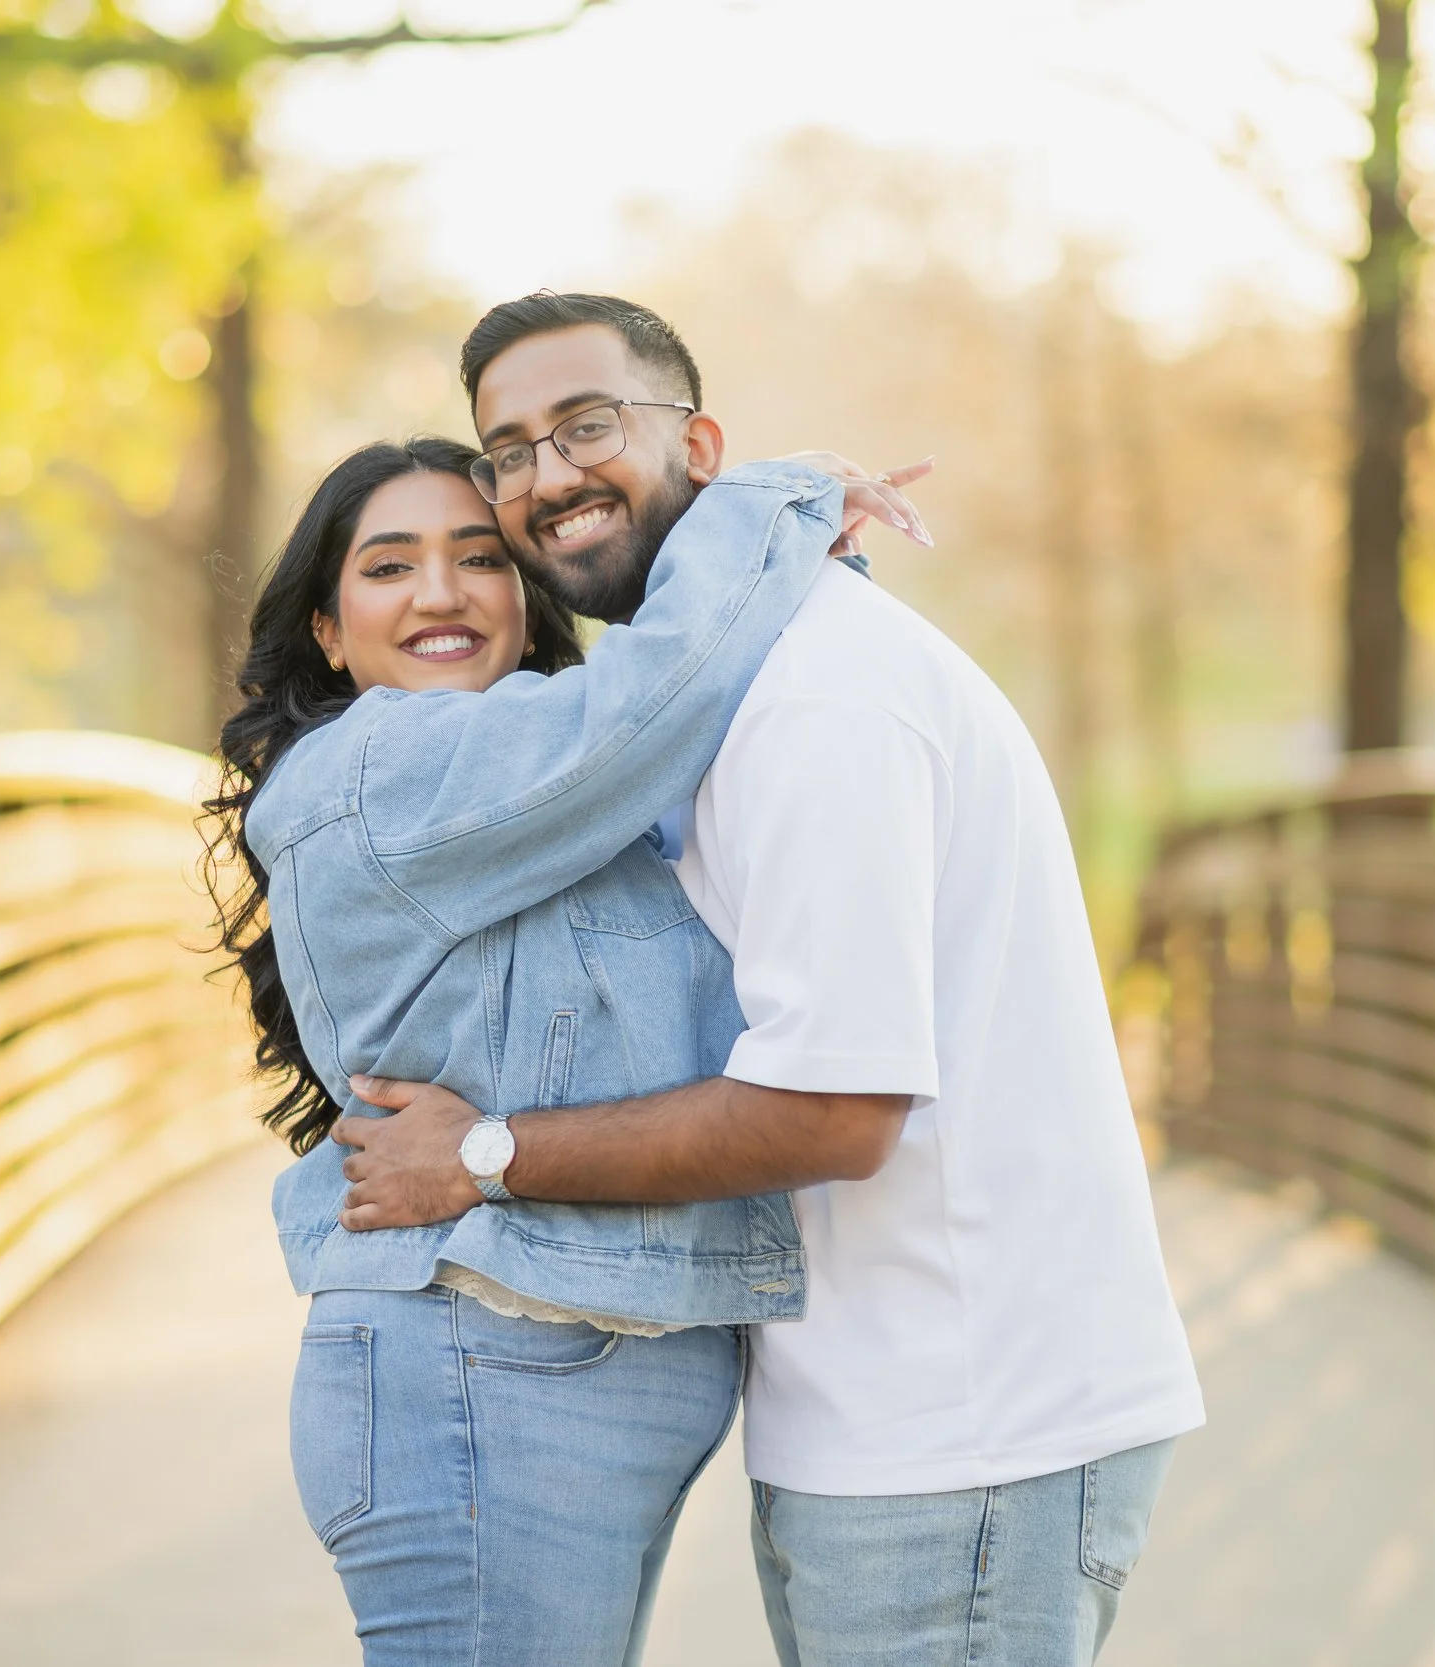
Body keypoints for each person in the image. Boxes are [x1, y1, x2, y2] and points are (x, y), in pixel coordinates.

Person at [334, 292, 1206, 1667]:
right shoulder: (735, 689)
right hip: (879, 1409)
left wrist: (482, 1153)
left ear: (702, 445)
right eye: (509, 449)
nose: (547, 476)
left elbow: (832, 1109)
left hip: (962, 1415)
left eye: (587, 424)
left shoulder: (815, 702)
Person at [205, 433, 931, 1664]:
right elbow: (651, 698)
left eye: (477, 556)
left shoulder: (542, 783)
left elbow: (737, 738)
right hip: (481, 1380)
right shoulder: (382, 767)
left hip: (562, 1377)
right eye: (389, 567)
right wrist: (768, 505)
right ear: (327, 630)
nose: (440, 592)